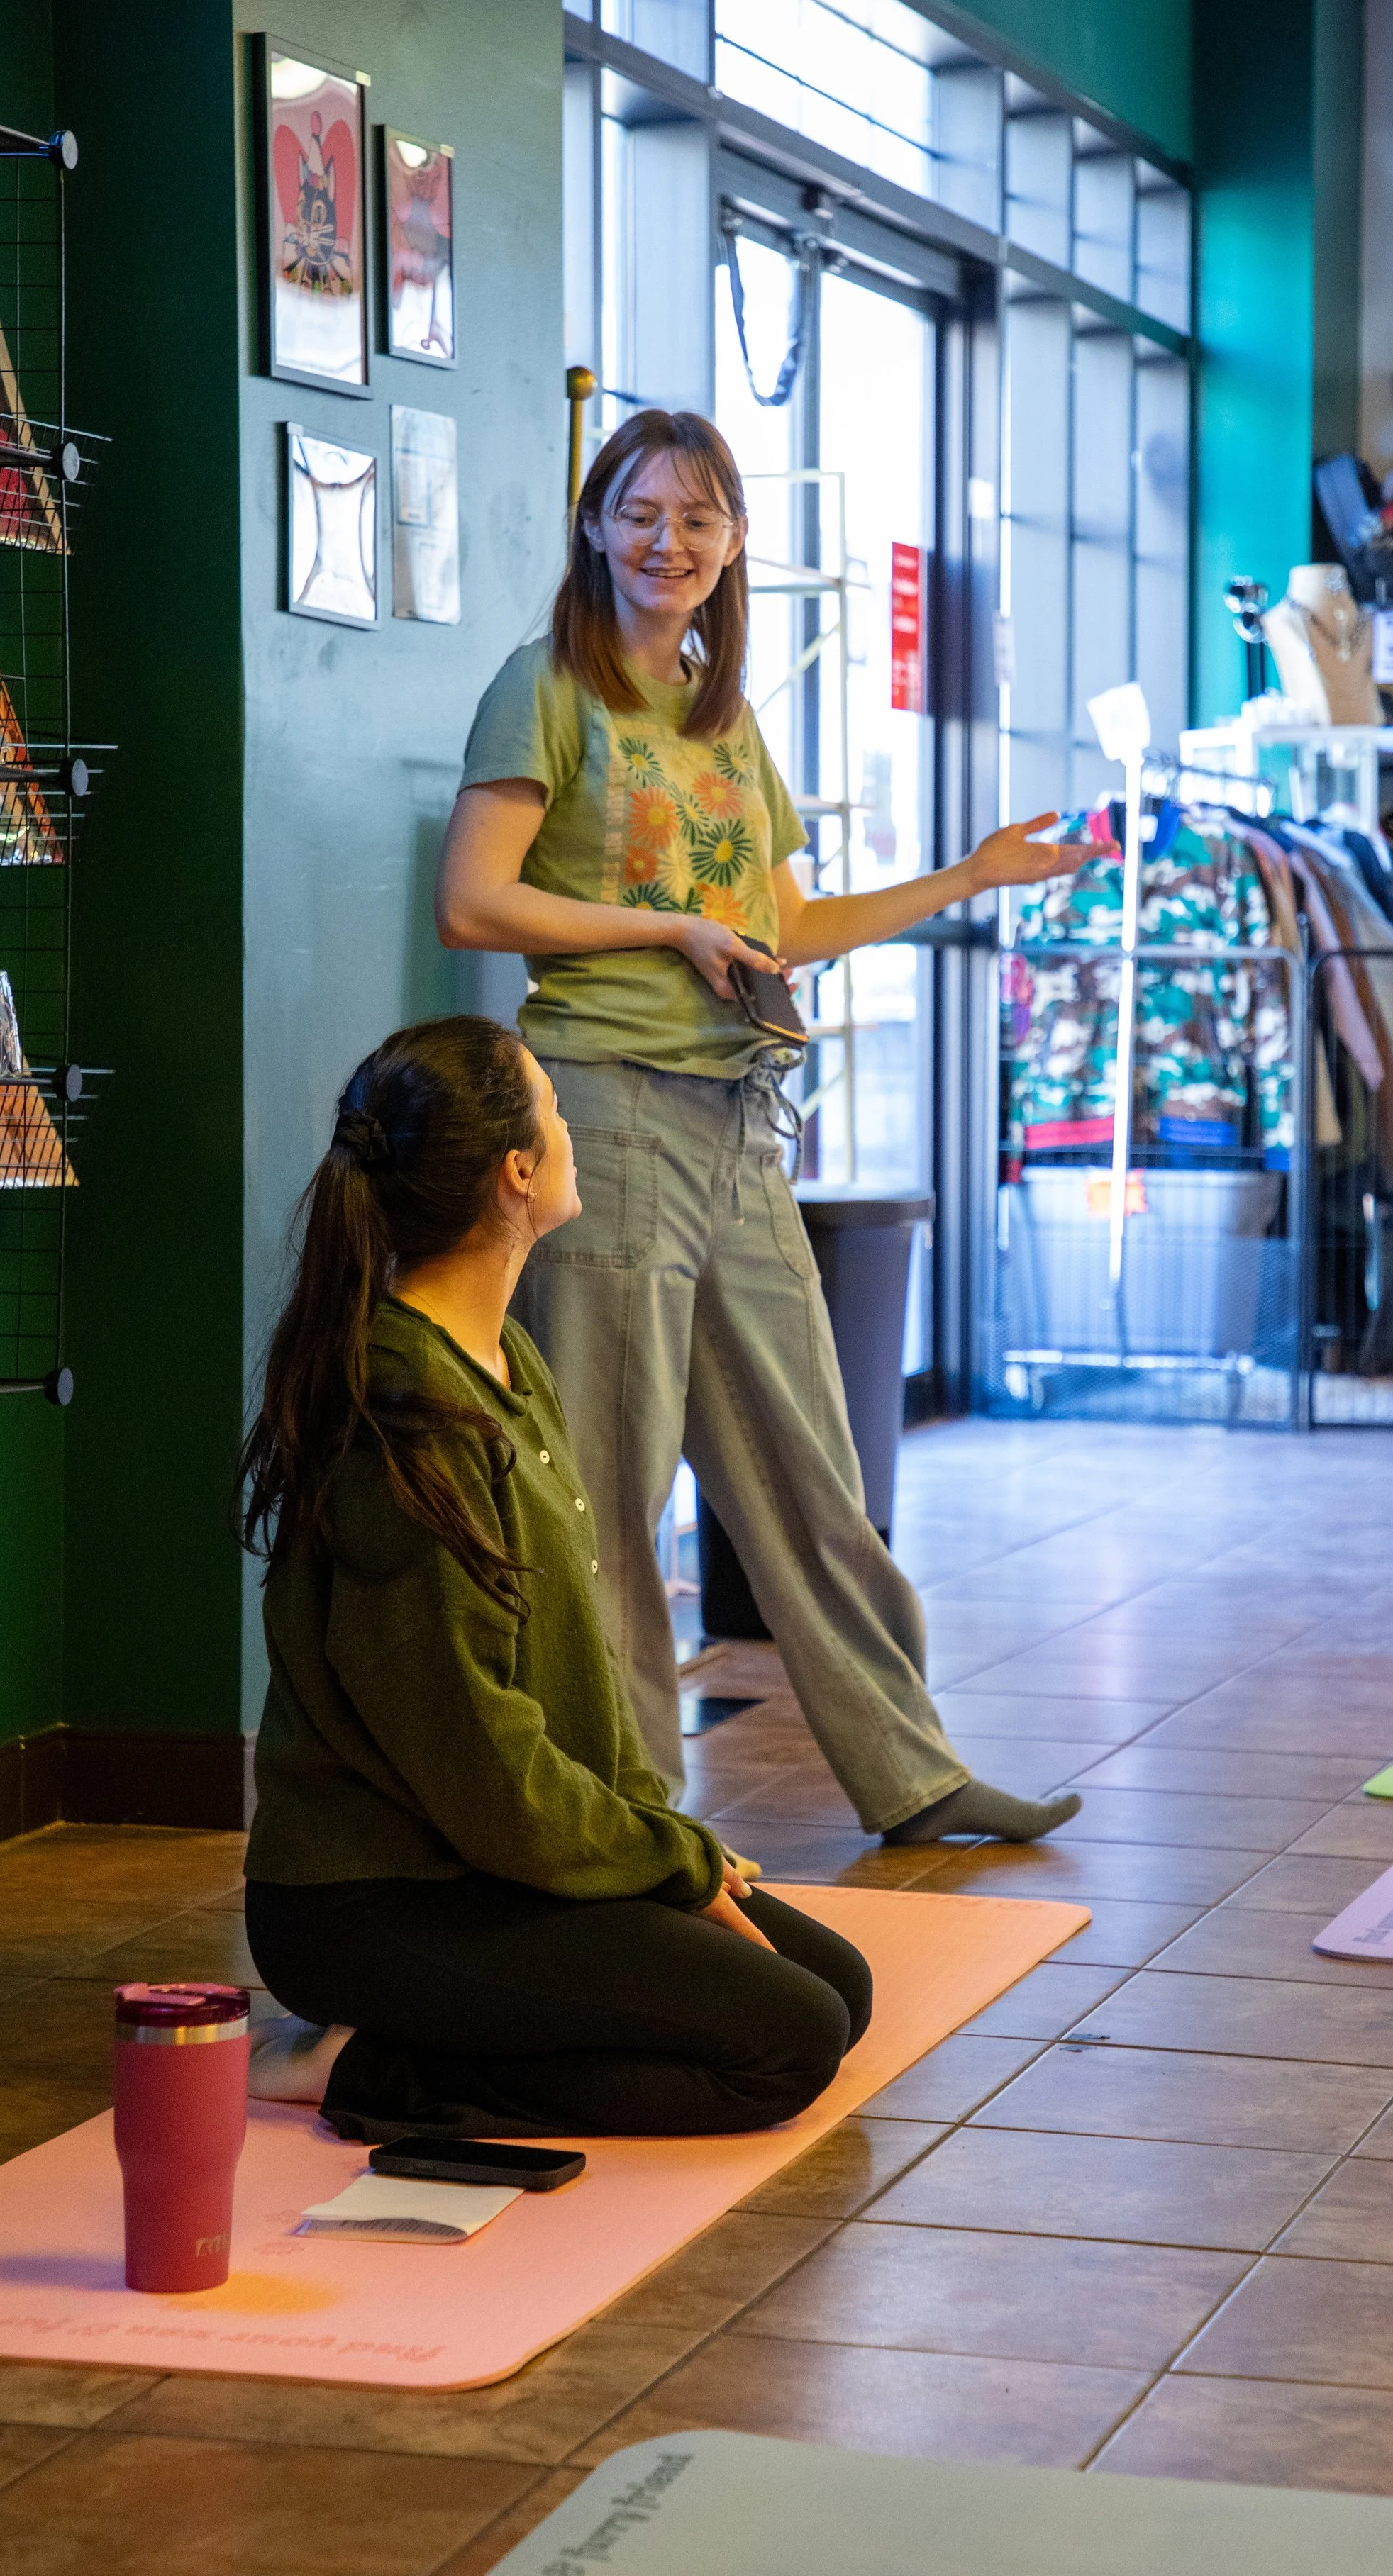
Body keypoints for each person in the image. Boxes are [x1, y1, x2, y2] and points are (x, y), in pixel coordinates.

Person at [436, 408, 1088, 1849]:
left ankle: (910, 1769)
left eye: (700, 520)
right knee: (607, 1485)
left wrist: (963, 880)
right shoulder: (543, 687)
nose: (669, 542)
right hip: (597, 1111)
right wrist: (668, 927)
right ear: (596, 528)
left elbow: (782, 926)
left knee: (812, 1472)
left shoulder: (720, 715)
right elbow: (474, 902)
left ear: (734, 549)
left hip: (738, 1117)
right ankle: (623, 1802)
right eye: (641, 513)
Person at [239, 1015, 872, 2141]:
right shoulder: (409, 1422)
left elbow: (564, 1671)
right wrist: (666, 1864)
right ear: (516, 1173)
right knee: (786, 2042)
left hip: (484, 1852)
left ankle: (453, 2030)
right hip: (376, 1899)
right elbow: (483, 1763)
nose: (576, 1129)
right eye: (559, 1108)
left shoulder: (501, 1358)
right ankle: (368, 2067)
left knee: (839, 1987)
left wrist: (654, 1839)